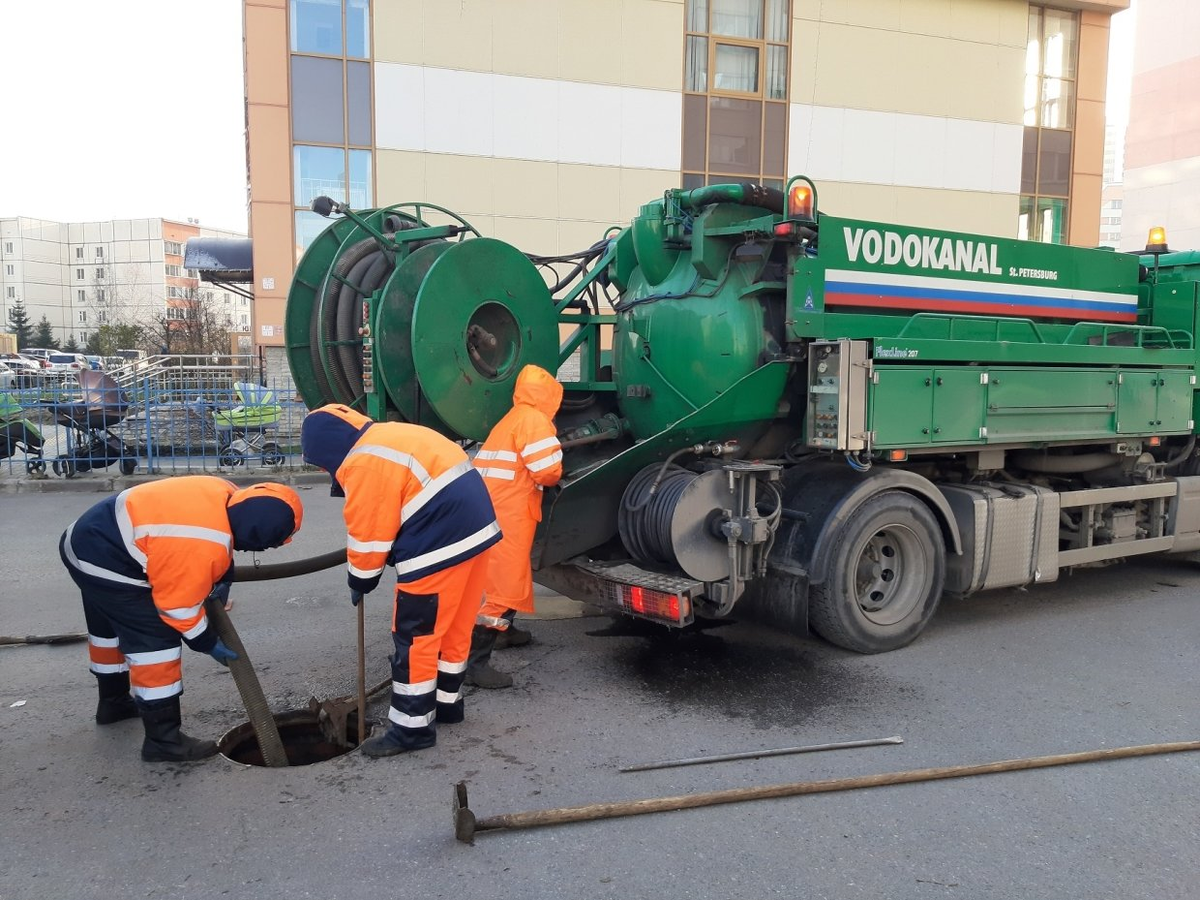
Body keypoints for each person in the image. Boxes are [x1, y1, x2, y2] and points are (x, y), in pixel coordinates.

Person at [300, 404, 501, 758]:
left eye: (320, 462)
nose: (323, 470)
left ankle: (412, 729)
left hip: (438, 545)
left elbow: (369, 535)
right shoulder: (389, 435)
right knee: (453, 627)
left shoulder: (363, 461)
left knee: (416, 637)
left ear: (328, 450)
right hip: (476, 534)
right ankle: (447, 704)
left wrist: (360, 579)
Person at [59, 477, 303, 763]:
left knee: (108, 628)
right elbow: (178, 608)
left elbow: (218, 539)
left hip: (89, 538)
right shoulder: (202, 542)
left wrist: (221, 579)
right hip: (108, 560)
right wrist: (207, 642)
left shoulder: (224, 491)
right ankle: (163, 741)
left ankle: (113, 704)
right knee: (154, 643)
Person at [466, 364, 564, 689]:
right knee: (503, 583)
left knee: (496, 577)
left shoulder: (511, 418)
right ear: (549, 394)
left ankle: (505, 633)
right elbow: (547, 472)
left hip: (490, 509)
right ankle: (474, 664)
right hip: (510, 512)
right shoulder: (535, 420)